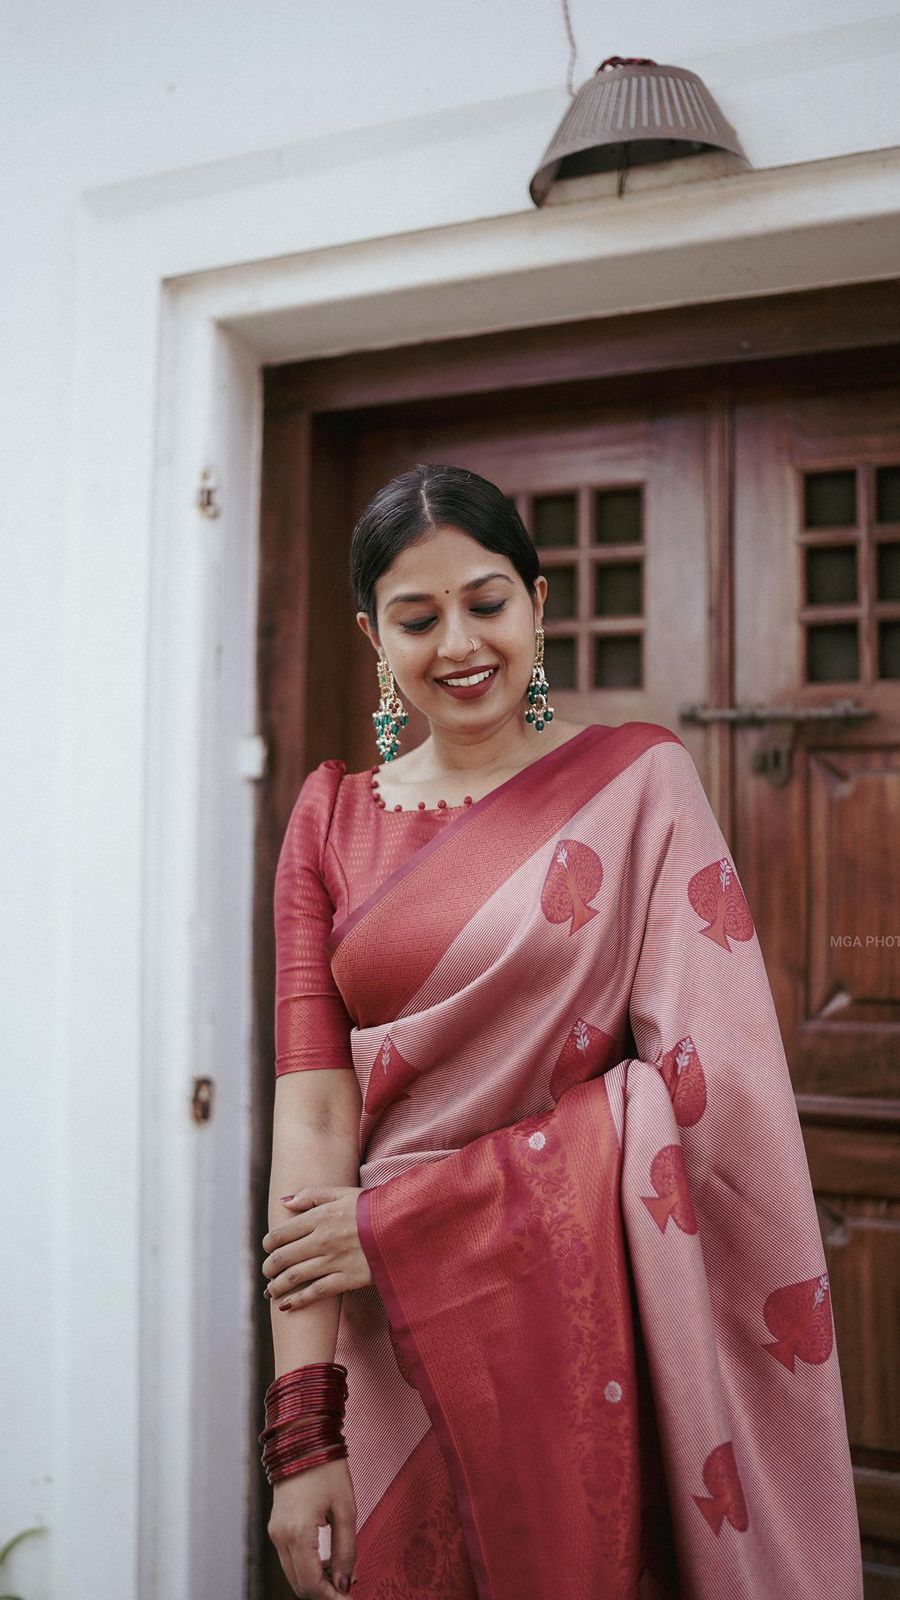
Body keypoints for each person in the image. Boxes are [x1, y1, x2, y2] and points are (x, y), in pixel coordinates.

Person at [260, 463, 862, 1600]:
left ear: (539, 603)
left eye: (486, 601)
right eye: (417, 615)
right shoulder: (330, 819)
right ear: (370, 635)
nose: (459, 642)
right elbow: (315, 1109)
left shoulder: (640, 784)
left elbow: (712, 1091)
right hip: (384, 1336)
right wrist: (305, 1429)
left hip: (573, 1315)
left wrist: (415, 1218)